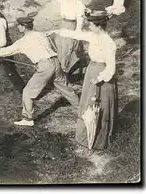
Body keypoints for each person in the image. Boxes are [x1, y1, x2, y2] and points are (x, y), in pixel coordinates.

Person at [0, 16, 79, 126]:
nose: (18, 27)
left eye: (19, 25)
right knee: (66, 88)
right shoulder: (41, 34)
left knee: (27, 92)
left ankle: (28, 119)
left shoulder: (23, 41)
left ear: (23, 27)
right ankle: (82, 109)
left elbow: (6, 51)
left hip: (45, 66)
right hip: (56, 62)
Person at [50, 11, 117, 149]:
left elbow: (111, 68)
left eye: (91, 25)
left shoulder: (108, 42)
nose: (89, 27)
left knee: (99, 103)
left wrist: (99, 78)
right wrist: (57, 31)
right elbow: (76, 34)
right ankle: (87, 135)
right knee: (89, 102)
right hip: (92, 70)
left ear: (99, 26)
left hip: (101, 74)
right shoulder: (94, 35)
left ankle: (98, 139)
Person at [39, 0, 86, 74]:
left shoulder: (79, 5)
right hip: (63, 25)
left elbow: (80, 20)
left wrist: (77, 34)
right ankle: (62, 70)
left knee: (70, 50)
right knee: (60, 48)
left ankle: (70, 72)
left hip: (72, 27)